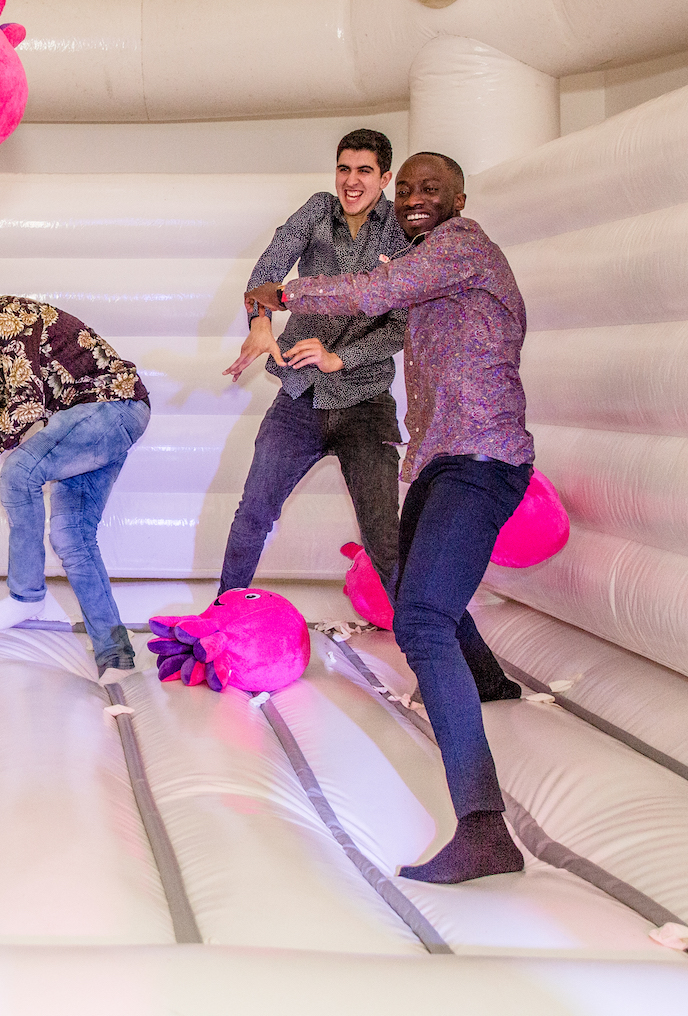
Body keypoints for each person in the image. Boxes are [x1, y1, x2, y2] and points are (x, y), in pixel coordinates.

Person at [250, 152, 531, 884]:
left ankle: (485, 827)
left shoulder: (462, 246)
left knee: (422, 622)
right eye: (404, 188)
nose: (411, 198)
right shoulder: (429, 266)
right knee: (413, 586)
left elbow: (379, 287)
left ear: (459, 199)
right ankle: (492, 684)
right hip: (442, 460)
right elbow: (381, 304)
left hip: (484, 459)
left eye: (426, 187)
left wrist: (285, 291)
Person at [0, 246, 151, 677]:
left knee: (19, 474)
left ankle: (26, 596)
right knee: (72, 536)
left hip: (110, 409)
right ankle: (117, 655)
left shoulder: (4, 321)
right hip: (103, 418)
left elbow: (25, 407)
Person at [221, 128, 410, 597]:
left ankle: (423, 644)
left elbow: (401, 325)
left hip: (366, 403)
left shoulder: (400, 230)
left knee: (385, 539)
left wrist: (339, 358)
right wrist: (259, 323)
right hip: (299, 397)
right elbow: (265, 274)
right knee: (254, 512)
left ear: (384, 177)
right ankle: (221, 616)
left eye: (364, 171)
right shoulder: (317, 210)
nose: (351, 180)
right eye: (344, 168)